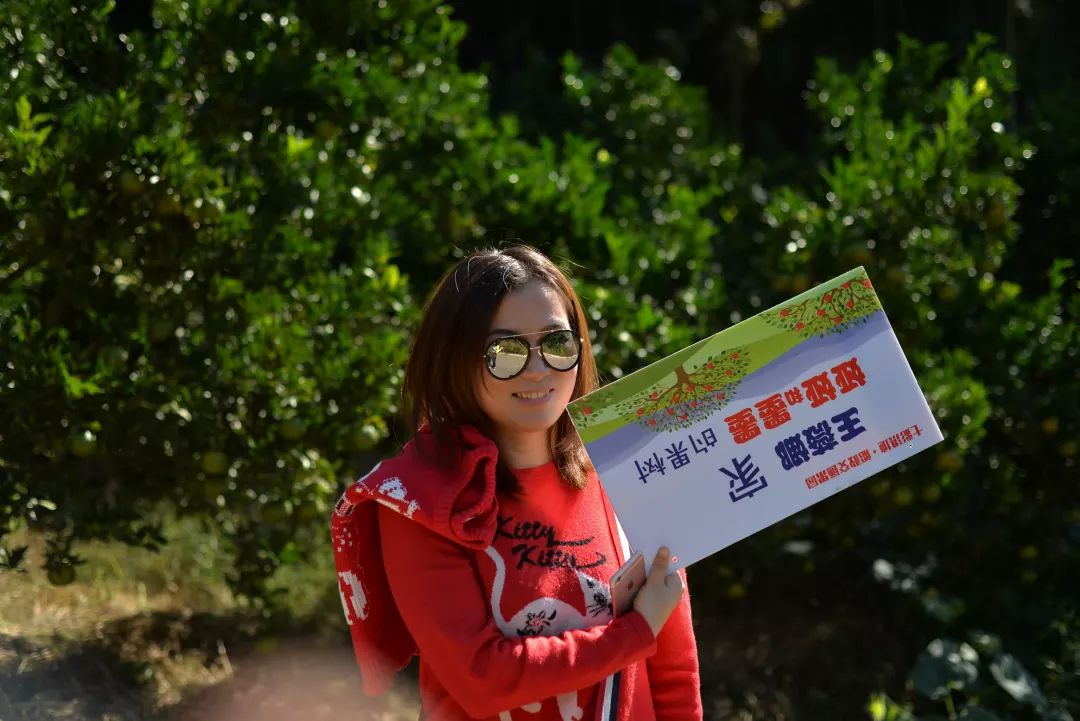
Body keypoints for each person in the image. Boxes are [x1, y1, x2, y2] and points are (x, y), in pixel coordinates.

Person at [331, 244, 702, 721]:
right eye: (504, 351)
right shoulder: (422, 502)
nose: (538, 368)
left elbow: (673, 673)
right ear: (454, 359)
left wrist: (646, 632)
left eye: (557, 343)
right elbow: (483, 679)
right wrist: (635, 633)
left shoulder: (627, 469)